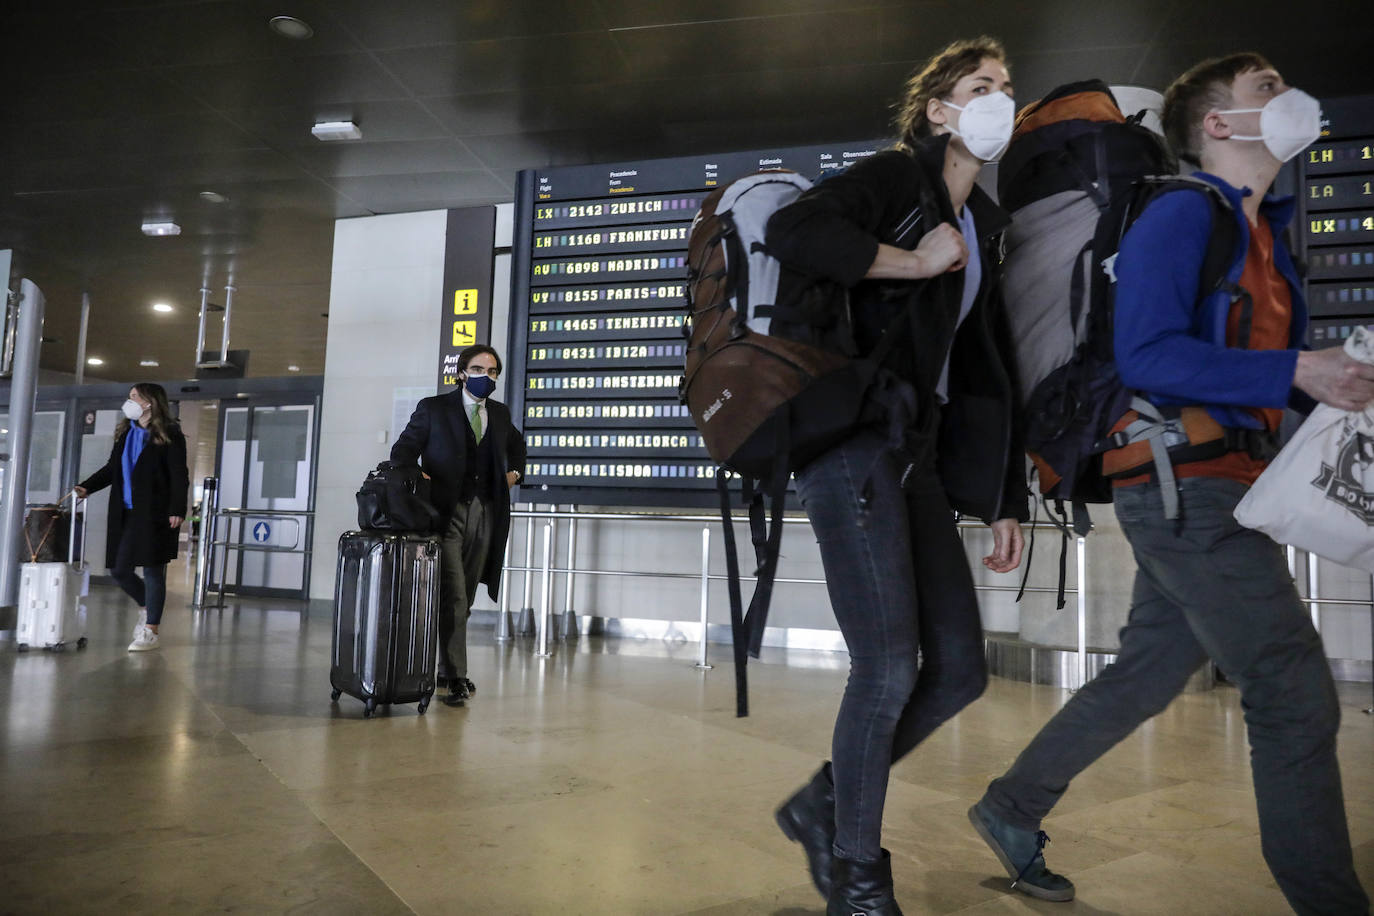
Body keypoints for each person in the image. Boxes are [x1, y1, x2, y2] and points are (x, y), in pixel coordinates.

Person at [968, 54, 1371, 915]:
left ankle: (1011, 806)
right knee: (1291, 688)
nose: (1289, 95)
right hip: (1183, 487)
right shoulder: (1182, 214)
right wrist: (1301, 368)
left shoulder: (1262, 233)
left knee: (1149, 673)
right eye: (1266, 87)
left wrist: (1324, 393)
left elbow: (1254, 377)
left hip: (1223, 480)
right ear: (1218, 126)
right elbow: (1146, 354)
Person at [764, 37, 1028, 916]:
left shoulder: (987, 222)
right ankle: (857, 875)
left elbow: (990, 365)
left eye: (1007, 87)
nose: (1001, 98)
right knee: (885, 666)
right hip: (850, 440)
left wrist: (1006, 499)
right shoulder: (891, 177)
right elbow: (792, 231)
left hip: (914, 455)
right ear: (938, 113)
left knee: (956, 668)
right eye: (981, 87)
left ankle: (822, 804)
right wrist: (912, 261)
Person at [390, 344, 526, 708]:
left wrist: (515, 473)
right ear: (463, 372)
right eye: (480, 369)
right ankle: (454, 677)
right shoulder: (433, 409)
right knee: (454, 595)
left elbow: (517, 445)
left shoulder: (498, 413)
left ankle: (444, 665)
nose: (487, 377)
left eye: (493, 371)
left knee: (464, 593)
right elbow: (402, 452)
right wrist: (421, 477)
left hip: (485, 514)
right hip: (445, 514)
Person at [75, 383, 189, 652]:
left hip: (155, 511)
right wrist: (87, 487)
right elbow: (112, 468)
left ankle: (151, 630)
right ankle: (146, 607)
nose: (130, 401)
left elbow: (178, 474)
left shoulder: (170, 432)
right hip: (125, 511)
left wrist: (177, 509)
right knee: (120, 569)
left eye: (135, 397)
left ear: (150, 402)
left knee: (152, 569)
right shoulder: (126, 431)